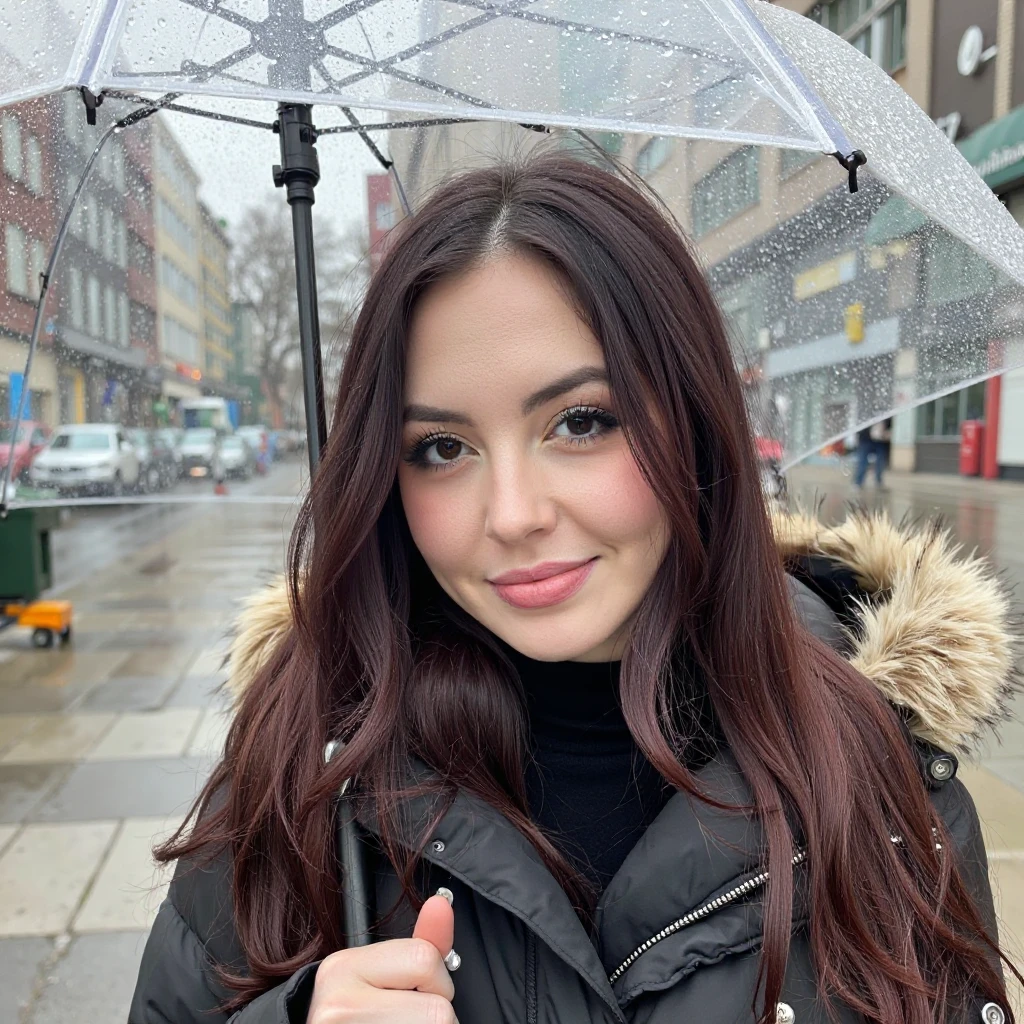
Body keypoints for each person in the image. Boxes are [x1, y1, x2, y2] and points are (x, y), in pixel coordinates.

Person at [129, 156, 1019, 1024]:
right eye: (442, 448)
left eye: (581, 422)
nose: (511, 515)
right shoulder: (300, 779)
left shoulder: (875, 767)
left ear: (696, 422)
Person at [854, 417, 892, 489]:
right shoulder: (866, 414)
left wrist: (886, 432)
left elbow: (890, 425)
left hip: (881, 441)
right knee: (862, 462)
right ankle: (858, 482)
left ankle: (878, 481)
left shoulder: (886, 415)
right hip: (866, 440)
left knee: (880, 462)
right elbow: (859, 427)